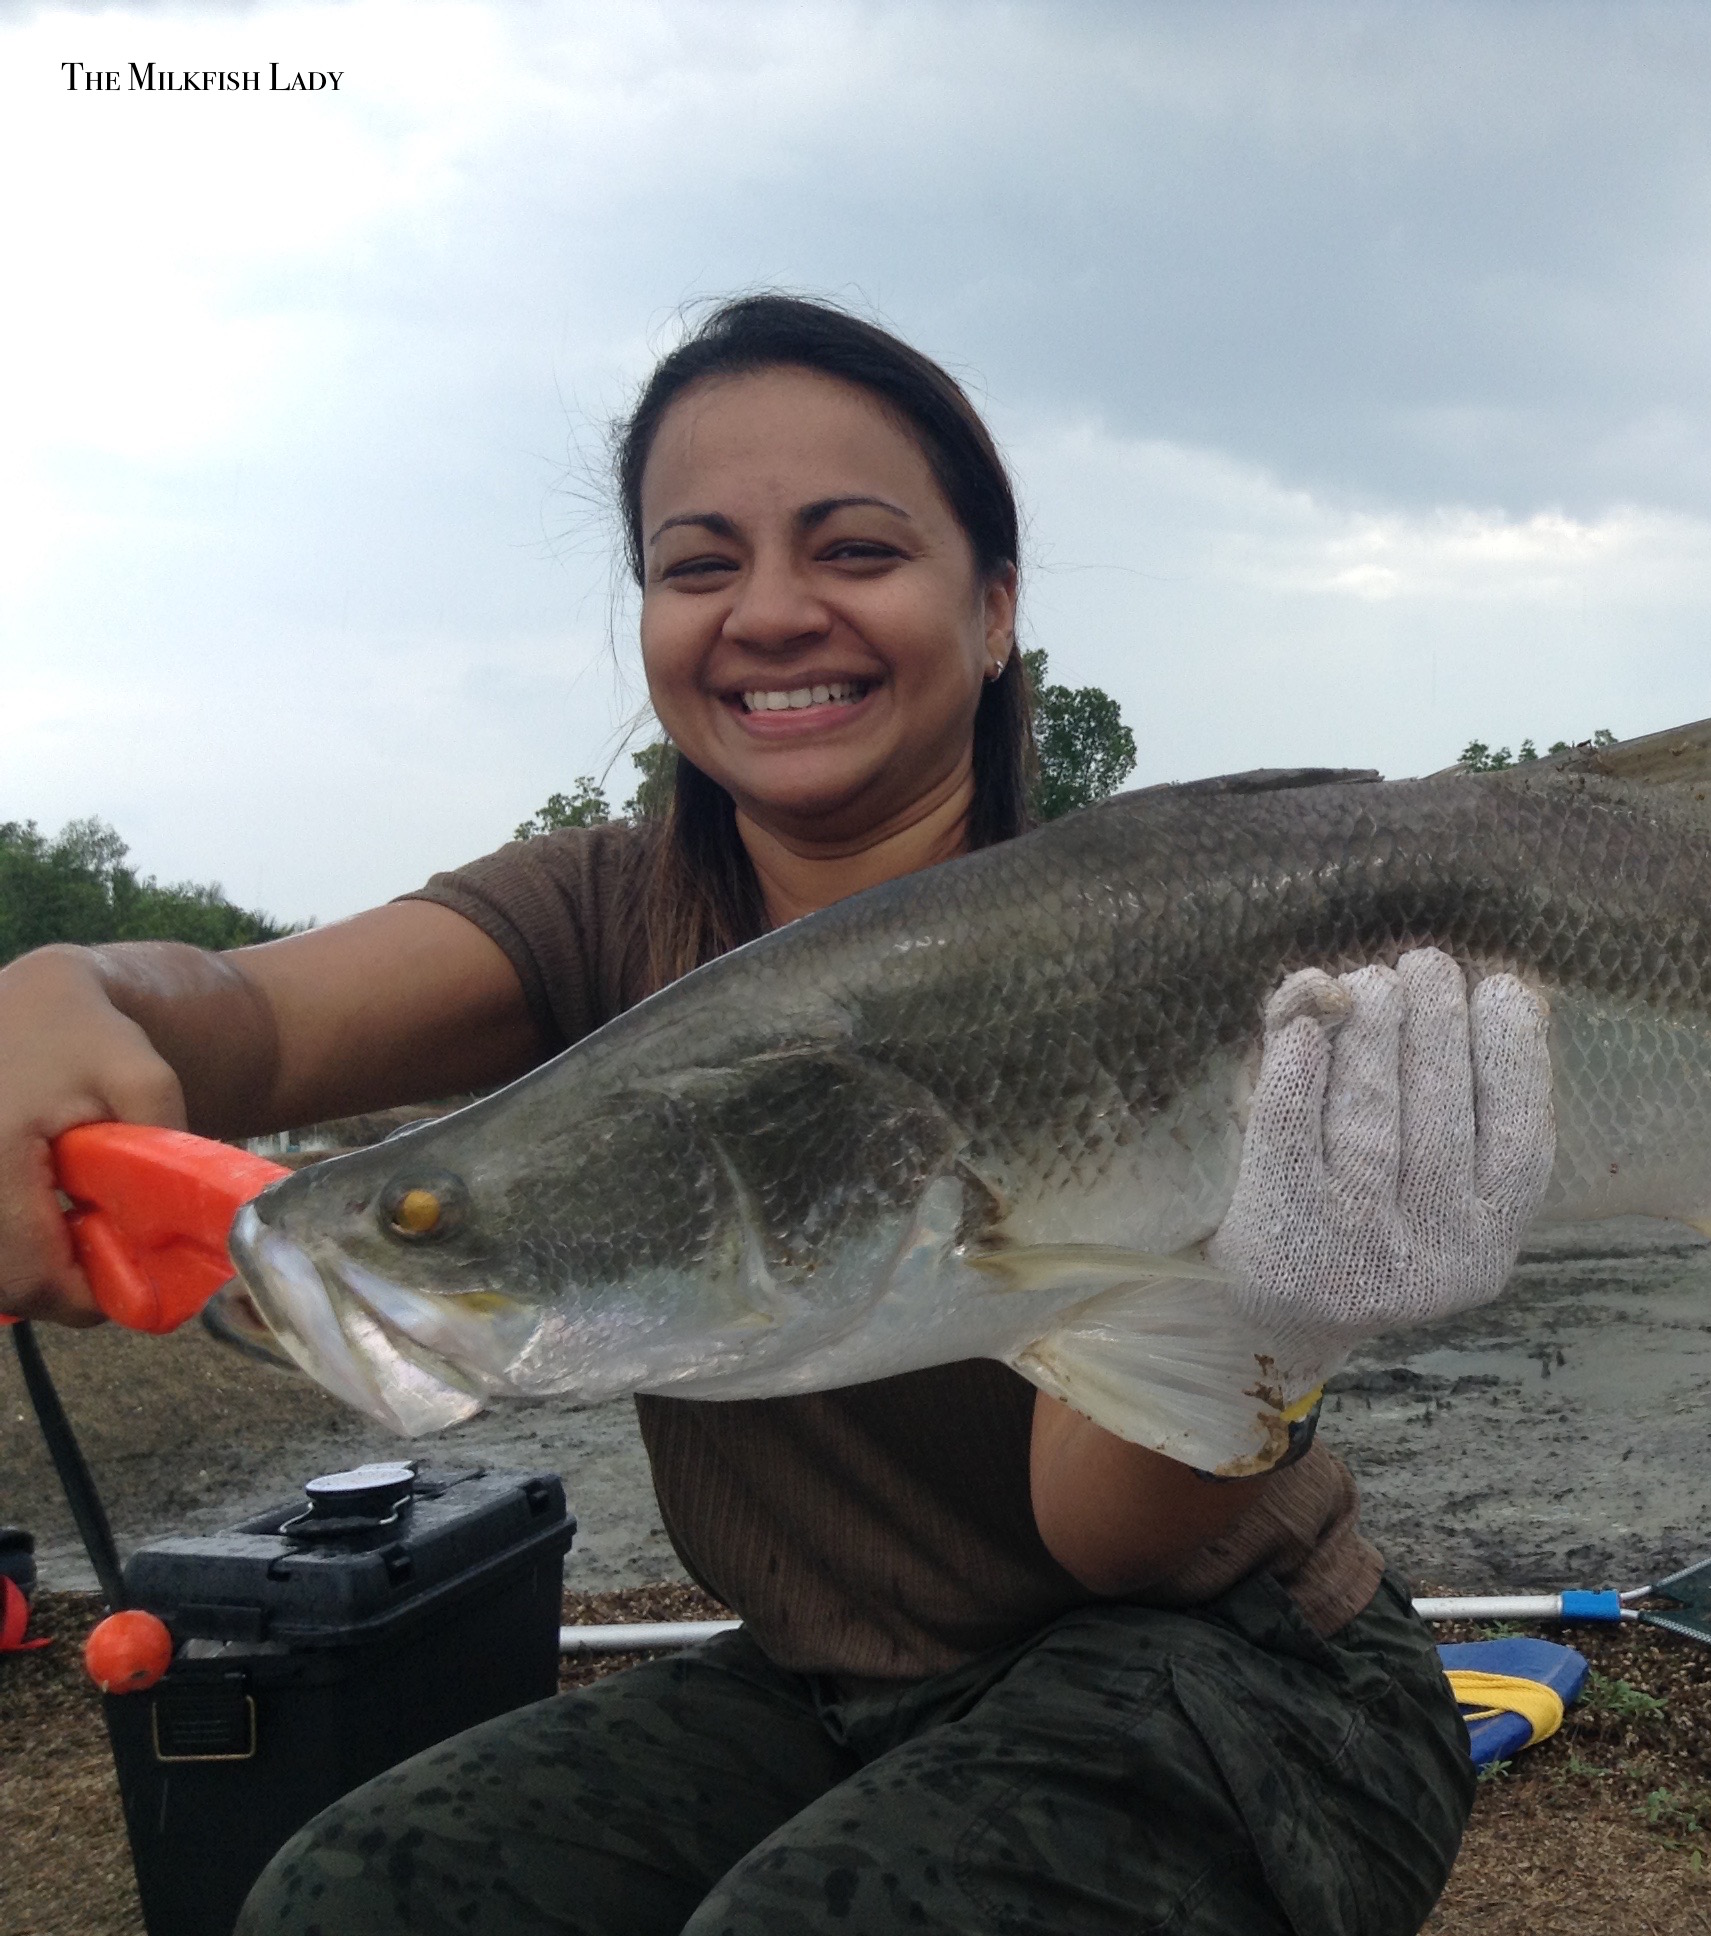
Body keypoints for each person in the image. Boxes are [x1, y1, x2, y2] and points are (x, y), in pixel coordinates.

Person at [0, 294, 1557, 1935]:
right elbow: (240, 1016)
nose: (769, 613)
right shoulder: (597, 918)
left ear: (996, 609)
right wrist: (68, 990)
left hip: (1258, 1676)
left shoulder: (1148, 941)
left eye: (855, 550)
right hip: (826, 1686)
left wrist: (1282, 1310)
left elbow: (1105, 1546)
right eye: (697, 566)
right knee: (349, 1902)